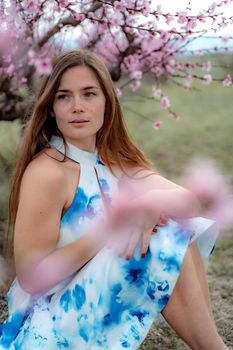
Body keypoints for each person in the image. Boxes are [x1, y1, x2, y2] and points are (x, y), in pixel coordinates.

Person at [0, 49, 228, 350]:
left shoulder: (112, 162)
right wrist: (111, 228)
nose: (77, 106)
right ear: (51, 108)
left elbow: (191, 202)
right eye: (64, 96)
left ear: (107, 102)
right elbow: (31, 277)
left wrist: (155, 200)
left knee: (176, 226)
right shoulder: (48, 172)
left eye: (89, 94)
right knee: (163, 238)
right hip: (47, 327)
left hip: (89, 307)